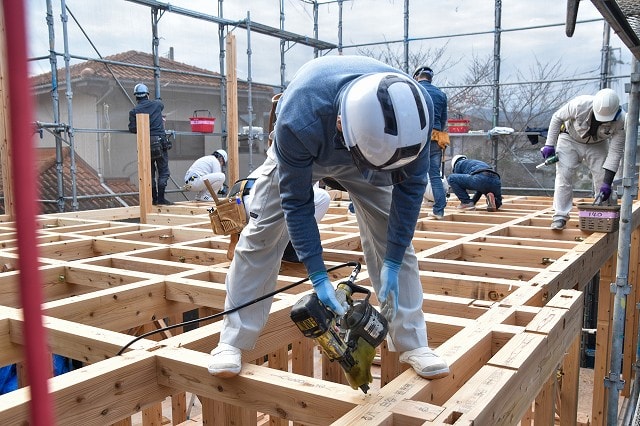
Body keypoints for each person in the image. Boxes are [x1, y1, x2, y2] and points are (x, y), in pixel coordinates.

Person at [208, 55, 450, 381]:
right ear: (341, 124)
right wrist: (318, 273)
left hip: (379, 154)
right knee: (262, 232)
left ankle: (413, 342)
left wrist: (392, 257)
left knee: (395, 242)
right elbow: (297, 204)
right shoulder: (299, 118)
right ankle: (231, 340)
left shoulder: (415, 116)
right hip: (309, 147)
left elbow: (411, 191)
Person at [541, 88, 626, 230]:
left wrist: (607, 181)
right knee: (564, 175)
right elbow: (557, 117)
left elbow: (615, 152)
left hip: (598, 144)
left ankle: (602, 216)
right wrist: (549, 144)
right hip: (570, 139)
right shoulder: (580, 104)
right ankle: (560, 216)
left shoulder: (622, 121)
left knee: (602, 179)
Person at [128, 83, 173, 205]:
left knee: (149, 172)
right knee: (163, 171)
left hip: (145, 145)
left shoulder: (134, 111)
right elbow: (161, 104)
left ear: (136, 97)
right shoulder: (157, 105)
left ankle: (153, 199)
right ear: (147, 95)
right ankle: (161, 199)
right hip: (160, 143)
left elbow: (132, 129)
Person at [414, 66, 449, 220]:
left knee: (409, 174)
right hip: (435, 136)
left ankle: (408, 210)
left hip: (416, 136)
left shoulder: (414, 89)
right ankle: (439, 210)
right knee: (434, 175)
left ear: (417, 77)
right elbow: (443, 119)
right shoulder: (441, 94)